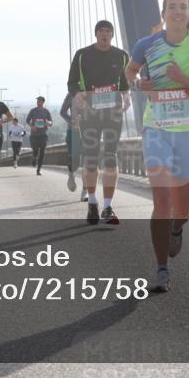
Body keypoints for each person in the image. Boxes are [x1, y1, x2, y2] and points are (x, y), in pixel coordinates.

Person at [125, 0, 189, 293]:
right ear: (163, 13)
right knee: (161, 201)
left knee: (184, 207)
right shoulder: (146, 45)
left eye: (183, 7)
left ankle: (177, 228)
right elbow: (130, 72)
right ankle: (161, 268)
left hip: (188, 131)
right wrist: (140, 84)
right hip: (156, 128)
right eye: (172, 7)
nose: (177, 11)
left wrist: (184, 80)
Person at [67, 20, 130, 225]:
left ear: (112, 35)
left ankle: (108, 206)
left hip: (113, 112)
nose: (104, 35)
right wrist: (76, 95)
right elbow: (72, 81)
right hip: (90, 112)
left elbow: (125, 81)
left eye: (108, 32)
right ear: (96, 35)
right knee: (92, 158)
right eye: (101, 32)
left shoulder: (121, 55)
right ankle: (93, 202)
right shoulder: (82, 54)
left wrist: (127, 95)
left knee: (111, 157)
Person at [60, 91, 87, 200]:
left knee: (88, 161)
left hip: (90, 131)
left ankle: (85, 191)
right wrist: (71, 121)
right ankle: (71, 173)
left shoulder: (94, 90)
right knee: (75, 160)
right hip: (73, 131)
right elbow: (62, 112)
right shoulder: (71, 93)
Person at [26, 96, 53, 175]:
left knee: (42, 152)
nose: (38, 102)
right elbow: (27, 120)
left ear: (43, 102)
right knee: (35, 149)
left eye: (40, 101)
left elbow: (51, 122)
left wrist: (49, 123)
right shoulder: (33, 111)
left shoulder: (46, 111)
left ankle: (39, 169)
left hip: (43, 134)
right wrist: (32, 126)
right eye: (37, 101)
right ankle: (34, 157)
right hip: (34, 134)